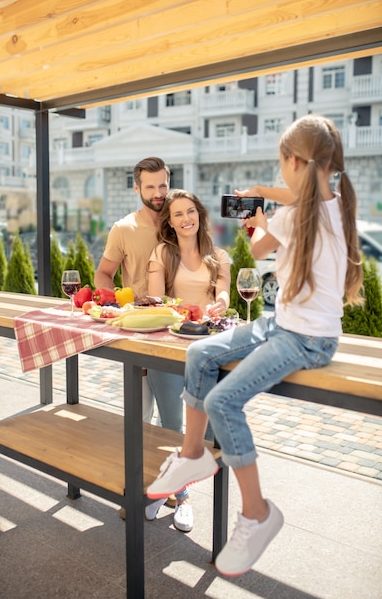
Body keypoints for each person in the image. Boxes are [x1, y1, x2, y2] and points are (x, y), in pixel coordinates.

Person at [146, 115, 363, 575]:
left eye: (282, 164)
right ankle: (192, 455)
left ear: (296, 161)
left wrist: (263, 209)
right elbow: (263, 248)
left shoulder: (315, 212)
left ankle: (258, 514)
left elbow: (280, 225)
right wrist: (258, 204)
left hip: (309, 340)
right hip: (278, 323)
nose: (281, 173)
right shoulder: (316, 205)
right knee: (200, 351)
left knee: (224, 401)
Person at [146, 189, 231, 531]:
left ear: (200, 215)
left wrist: (222, 301)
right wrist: (176, 307)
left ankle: (166, 488)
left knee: (206, 435)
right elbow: (154, 299)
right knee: (170, 428)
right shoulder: (161, 253)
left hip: (206, 354)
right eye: (178, 213)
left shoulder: (218, 256)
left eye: (191, 211)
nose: (186, 219)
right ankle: (180, 497)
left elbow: (223, 291)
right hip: (166, 348)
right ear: (169, 220)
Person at [94, 156, 170, 520]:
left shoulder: (180, 218)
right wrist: (113, 304)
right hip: (138, 333)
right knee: (140, 419)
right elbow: (104, 274)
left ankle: (176, 493)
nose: (158, 194)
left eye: (162, 185)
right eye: (150, 187)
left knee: (174, 422)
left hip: (179, 334)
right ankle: (140, 490)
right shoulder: (123, 229)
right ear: (137, 188)